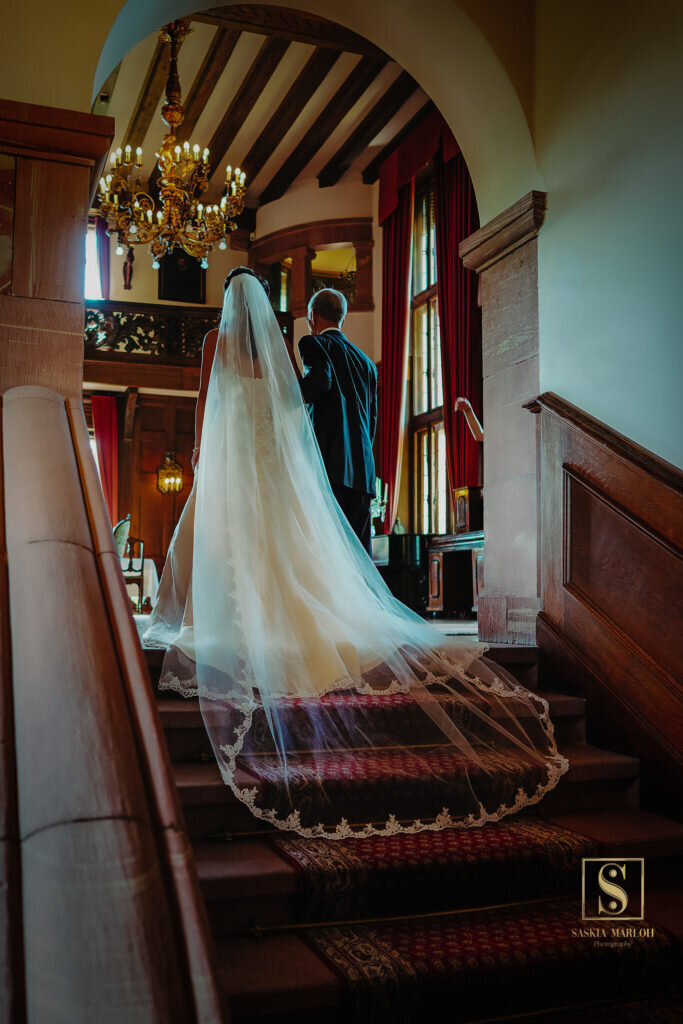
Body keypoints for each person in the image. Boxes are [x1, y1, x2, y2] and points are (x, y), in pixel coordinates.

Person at [143, 268, 567, 839]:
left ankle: (237, 613)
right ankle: (294, 612)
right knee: (307, 548)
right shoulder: (340, 356)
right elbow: (291, 403)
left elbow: (211, 399)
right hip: (331, 464)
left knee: (235, 539)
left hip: (240, 452)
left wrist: (204, 447)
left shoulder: (221, 341)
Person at [285, 288, 377, 555]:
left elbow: (317, 386)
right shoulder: (367, 363)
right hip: (362, 473)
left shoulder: (313, 344)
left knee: (328, 553)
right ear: (342, 319)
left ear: (312, 316)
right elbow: (371, 420)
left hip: (329, 466)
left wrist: (287, 393)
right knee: (358, 557)